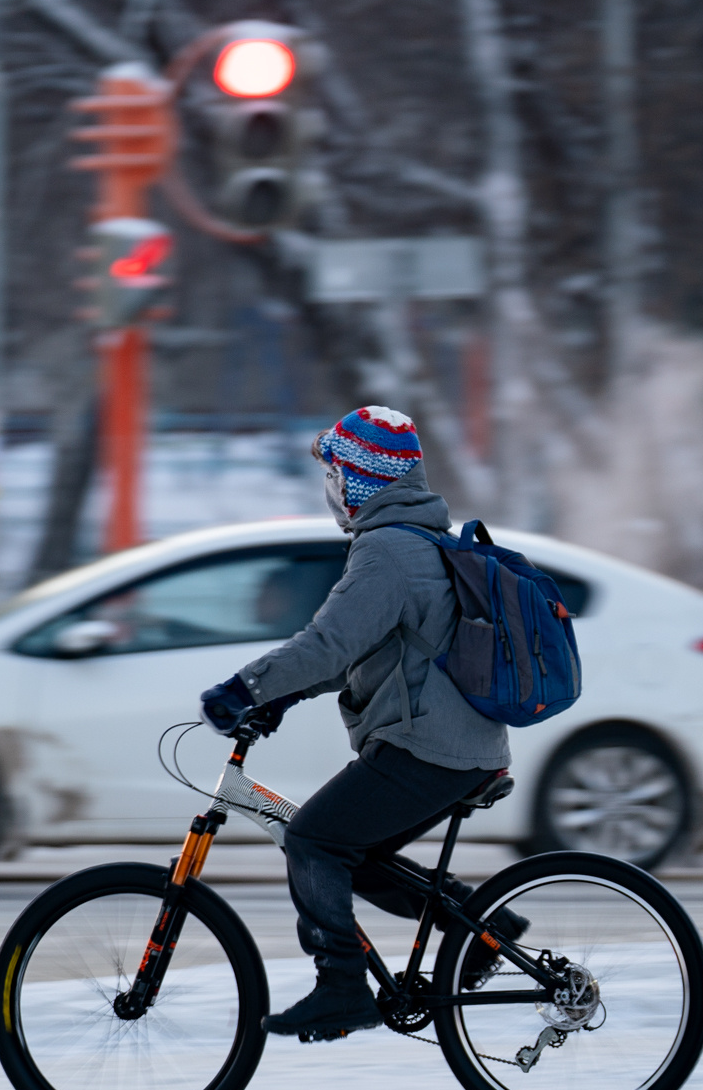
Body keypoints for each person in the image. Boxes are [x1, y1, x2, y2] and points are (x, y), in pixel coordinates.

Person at [198, 406, 525, 1041]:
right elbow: (361, 654)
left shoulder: (388, 553)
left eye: (334, 475)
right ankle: (480, 926)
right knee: (356, 853)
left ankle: (342, 987)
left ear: (359, 481)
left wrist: (245, 689)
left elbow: (326, 643)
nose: (330, 491)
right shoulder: (417, 541)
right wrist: (283, 698)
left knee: (314, 841)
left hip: (428, 749)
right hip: (455, 747)